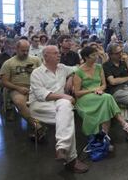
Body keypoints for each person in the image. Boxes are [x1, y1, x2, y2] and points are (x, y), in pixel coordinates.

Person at [29, 45, 88, 173]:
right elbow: (41, 95)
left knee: (65, 111)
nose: (59, 55)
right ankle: (71, 159)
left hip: (59, 104)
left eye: (58, 53)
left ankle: (62, 149)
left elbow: (77, 68)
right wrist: (63, 95)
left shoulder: (62, 68)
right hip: (40, 106)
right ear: (46, 56)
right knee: (67, 115)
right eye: (55, 53)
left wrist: (71, 77)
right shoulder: (37, 73)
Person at [73, 46, 128, 141]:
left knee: (106, 100)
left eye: (96, 54)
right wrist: (93, 90)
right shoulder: (78, 72)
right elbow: (77, 93)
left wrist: (99, 89)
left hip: (99, 95)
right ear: (86, 57)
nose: (96, 57)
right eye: (93, 55)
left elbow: (104, 85)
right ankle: (123, 124)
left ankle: (105, 136)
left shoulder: (99, 67)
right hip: (85, 97)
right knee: (107, 97)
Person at [0, 39, 43, 136]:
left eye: (27, 50)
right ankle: (38, 126)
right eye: (23, 51)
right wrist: (18, 88)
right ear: (16, 49)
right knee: (20, 103)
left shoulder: (36, 60)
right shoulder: (8, 63)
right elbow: (4, 82)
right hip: (17, 88)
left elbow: (43, 74)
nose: (25, 53)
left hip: (35, 87)